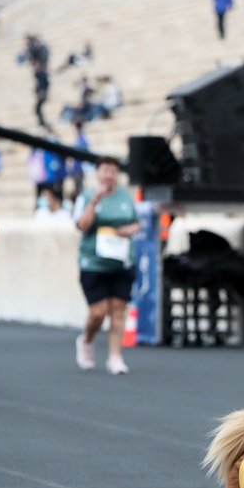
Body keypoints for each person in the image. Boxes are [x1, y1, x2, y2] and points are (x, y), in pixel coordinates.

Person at [73, 157, 141, 375]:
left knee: (118, 312)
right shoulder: (86, 196)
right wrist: (94, 201)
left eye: (113, 171)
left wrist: (129, 230)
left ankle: (115, 357)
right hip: (94, 263)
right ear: (98, 173)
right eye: (105, 171)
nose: (109, 175)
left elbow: (137, 223)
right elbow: (82, 225)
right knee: (98, 312)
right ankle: (87, 340)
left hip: (121, 262)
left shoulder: (125, 197)